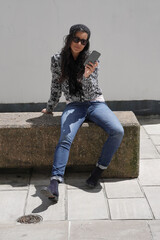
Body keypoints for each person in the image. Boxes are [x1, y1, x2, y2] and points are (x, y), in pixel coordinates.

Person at [41, 24, 124, 202]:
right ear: (69, 38)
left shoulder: (91, 59)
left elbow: (90, 92)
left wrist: (86, 76)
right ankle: (54, 182)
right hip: (74, 105)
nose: (79, 43)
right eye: (76, 39)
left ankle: (98, 171)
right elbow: (56, 85)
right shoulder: (57, 59)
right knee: (65, 137)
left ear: (87, 43)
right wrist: (50, 108)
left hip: (95, 103)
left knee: (118, 131)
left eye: (83, 41)